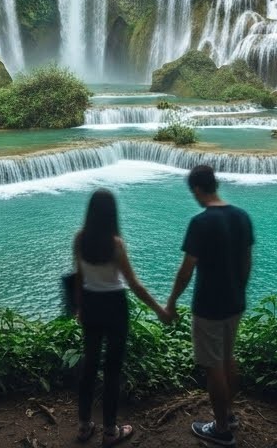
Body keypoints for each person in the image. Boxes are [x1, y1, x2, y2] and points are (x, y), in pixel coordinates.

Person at [165, 165, 253, 447]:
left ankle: (221, 430)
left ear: (197, 189)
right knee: (228, 359)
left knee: (213, 366)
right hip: (235, 302)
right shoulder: (242, 216)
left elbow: (186, 270)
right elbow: (246, 261)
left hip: (208, 306)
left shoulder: (200, 223)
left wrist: (171, 302)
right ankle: (229, 414)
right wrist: (239, 290)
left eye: (193, 192)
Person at [72, 188, 169, 446]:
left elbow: (79, 276)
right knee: (112, 370)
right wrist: (159, 309)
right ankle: (110, 431)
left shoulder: (79, 239)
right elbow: (134, 284)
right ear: (111, 214)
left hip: (90, 304)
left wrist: (79, 308)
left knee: (89, 365)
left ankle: (83, 427)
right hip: (115, 306)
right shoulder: (115, 244)